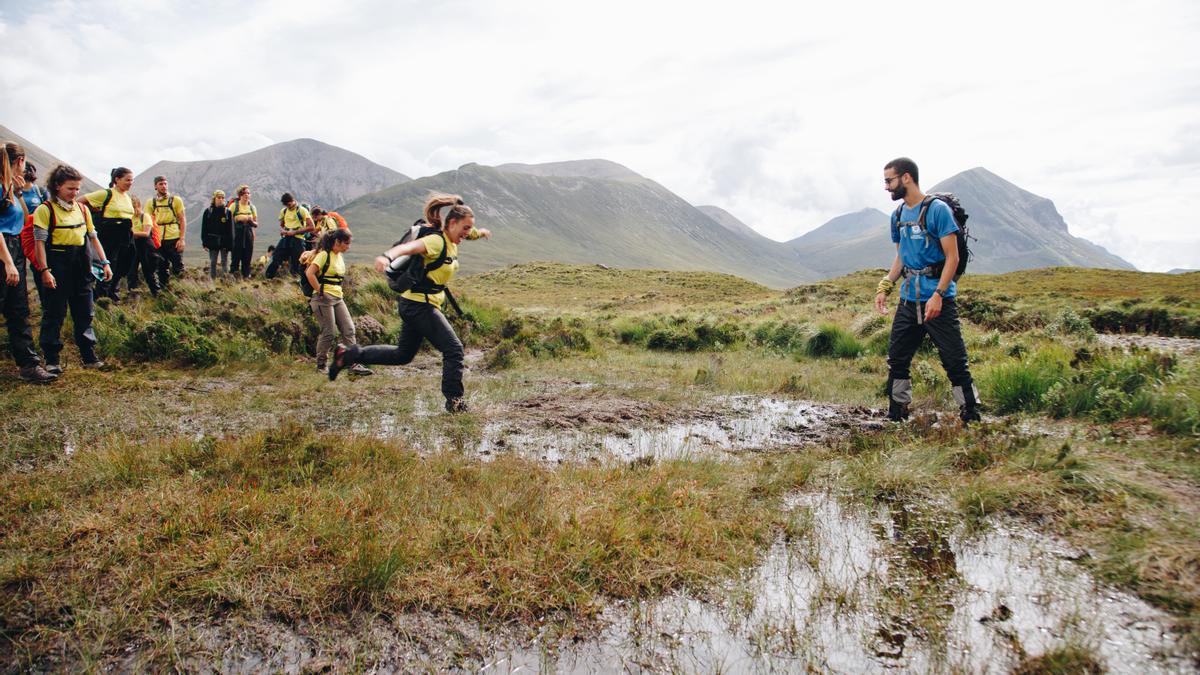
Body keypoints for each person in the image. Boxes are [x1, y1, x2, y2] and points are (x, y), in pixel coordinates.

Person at [328, 194, 491, 413]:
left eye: (470, 228)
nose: (467, 233)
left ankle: (348, 355)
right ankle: (455, 401)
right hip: (418, 307)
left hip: (417, 305)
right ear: (451, 223)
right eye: (465, 228)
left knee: (402, 355)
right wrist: (387, 256)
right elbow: (408, 248)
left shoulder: (455, 237)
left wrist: (481, 233)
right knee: (454, 350)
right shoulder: (436, 241)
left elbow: (471, 234)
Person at [875, 157, 980, 424]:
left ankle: (972, 415)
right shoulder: (897, 216)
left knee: (955, 361)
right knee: (897, 360)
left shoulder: (938, 210)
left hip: (938, 300)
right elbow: (901, 257)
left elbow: (952, 258)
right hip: (909, 300)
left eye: (889, 180)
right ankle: (896, 414)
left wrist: (939, 295)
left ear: (906, 178)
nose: (886, 186)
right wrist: (885, 286)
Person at [33, 164, 112, 373]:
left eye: (78, 189)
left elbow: (93, 238)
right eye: (70, 189)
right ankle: (52, 359)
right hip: (57, 262)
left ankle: (89, 356)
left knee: (84, 311)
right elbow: (39, 243)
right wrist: (44, 270)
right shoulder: (45, 210)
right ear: (57, 186)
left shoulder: (82, 208)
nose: (75, 193)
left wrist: (104, 262)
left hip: (82, 262)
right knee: (54, 312)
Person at [0, 143, 55, 383]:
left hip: (15, 249)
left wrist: (19, 194)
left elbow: (21, 220)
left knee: (19, 310)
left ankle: (29, 366)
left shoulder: (11, 187)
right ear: (20, 161)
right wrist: (9, 263)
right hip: (4, 252)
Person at [305, 229, 372, 376]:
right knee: (329, 332)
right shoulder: (324, 255)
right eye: (346, 243)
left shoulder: (339, 256)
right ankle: (321, 365)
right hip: (323, 298)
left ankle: (353, 364)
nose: (348, 246)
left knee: (349, 329)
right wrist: (320, 291)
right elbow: (309, 273)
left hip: (338, 297)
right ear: (338, 242)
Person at [83, 167, 135, 301]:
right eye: (127, 180)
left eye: (132, 180)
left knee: (121, 267)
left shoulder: (127, 197)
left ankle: (112, 295)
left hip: (124, 236)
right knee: (107, 265)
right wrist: (93, 211)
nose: (130, 183)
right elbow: (80, 201)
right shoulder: (106, 194)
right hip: (109, 235)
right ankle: (101, 298)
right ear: (117, 179)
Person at [148, 176, 186, 289]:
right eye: (161, 184)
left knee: (178, 266)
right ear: (155, 186)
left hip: (173, 237)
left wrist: (182, 239)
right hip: (158, 239)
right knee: (161, 267)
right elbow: (147, 220)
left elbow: (182, 219)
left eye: (165, 183)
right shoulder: (151, 202)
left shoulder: (176, 200)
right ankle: (164, 291)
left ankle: (183, 290)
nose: (164, 186)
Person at [265, 193, 313, 278]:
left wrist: (295, 232)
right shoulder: (284, 211)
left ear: (293, 200)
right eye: (286, 205)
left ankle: (297, 283)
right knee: (276, 257)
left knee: (297, 263)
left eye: (289, 204)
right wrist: (283, 230)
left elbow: (311, 226)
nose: (288, 206)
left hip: (298, 239)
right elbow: (281, 225)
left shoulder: (302, 210)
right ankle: (268, 278)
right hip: (286, 239)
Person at [127, 195, 160, 296]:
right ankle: (133, 295)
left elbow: (146, 233)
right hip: (133, 246)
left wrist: (132, 233)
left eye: (134, 207)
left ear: (138, 205)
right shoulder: (129, 218)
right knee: (131, 273)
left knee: (148, 272)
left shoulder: (145, 216)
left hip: (145, 246)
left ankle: (156, 294)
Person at [200, 190, 233, 279]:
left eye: (222, 198)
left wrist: (230, 244)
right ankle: (213, 281)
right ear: (214, 198)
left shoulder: (227, 212)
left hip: (224, 241)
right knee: (213, 262)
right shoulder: (208, 212)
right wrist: (204, 242)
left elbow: (231, 229)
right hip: (212, 240)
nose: (221, 200)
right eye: (219, 197)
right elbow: (204, 228)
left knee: (224, 261)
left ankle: (226, 280)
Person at [229, 184, 257, 277]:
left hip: (248, 233)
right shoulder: (234, 206)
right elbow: (228, 221)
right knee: (236, 257)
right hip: (237, 234)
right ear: (240, 195)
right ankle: (233, 277)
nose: (247, 195)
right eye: (244, 193)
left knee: (247, 257)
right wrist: (239, 218)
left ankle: (246, 277)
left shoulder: (252, 207)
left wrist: (249, 220)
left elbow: (256, 223)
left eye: (248, 193)